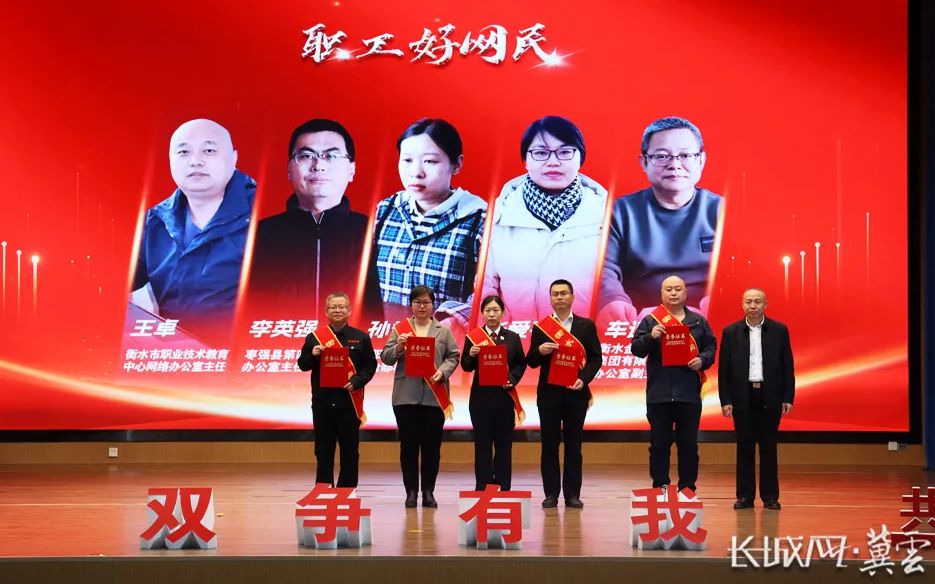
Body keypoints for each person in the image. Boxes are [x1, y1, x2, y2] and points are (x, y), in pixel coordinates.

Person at [131, 119, 255, 343]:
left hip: (249, 355)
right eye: (184, 152)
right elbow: (114, 283)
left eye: (209, 151)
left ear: (233, 158)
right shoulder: (154, 221)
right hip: (176, 355)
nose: (195, 161)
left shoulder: (267, 213)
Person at [248, 119, 381, 321]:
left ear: (351, 170)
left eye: (331, 156)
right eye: (306, 156)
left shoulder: (378, 235)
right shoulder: (255, 237)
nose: (319, 166)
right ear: (289, 170)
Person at [598, 117, 722, 325]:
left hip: (709, 322)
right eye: (662, 156)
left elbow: (743, 270)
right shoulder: (619, 212)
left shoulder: (723, 211)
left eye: (685, 155)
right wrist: (612, 301)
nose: (674, 164)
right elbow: (604, 269)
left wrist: (722, 300)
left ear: (701, 160)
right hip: (639, 323)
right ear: (644, 162)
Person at [483, 116, 608, 322]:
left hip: (584, 337)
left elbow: (615, 287)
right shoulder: (498, 215)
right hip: (516, 337)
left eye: (565, 152)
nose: (553, 161)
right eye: (541, 153)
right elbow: (486, 285)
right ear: (525, 160)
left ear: (580, 158)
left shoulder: (608, 216)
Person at [372, 119, 485, 329]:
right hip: (385, 341)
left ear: (457, 164)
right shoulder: (384, 211)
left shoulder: (479, 219)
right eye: (407, 160)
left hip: (444, 343)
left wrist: (453, 323)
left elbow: (490, 293)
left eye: (430, 161)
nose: (416, 172)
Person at [631, 275, 716, 494]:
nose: (673, 293)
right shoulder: (651, 321)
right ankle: (660, 488)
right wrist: (650, 337)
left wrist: (702, 360)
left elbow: (711, 348)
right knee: (659, 445)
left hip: (688, 394)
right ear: (661, 293)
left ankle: (687, 488)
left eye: (678, 289)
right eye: (668, 289)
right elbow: (636, 349)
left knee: (688, 445)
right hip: (659, 395)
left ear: (685, 292)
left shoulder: (698, 321)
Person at [380, 285, 460, 508]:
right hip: (406, 397)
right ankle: (411, 492)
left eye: (426, 302)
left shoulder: (443, 330)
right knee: (409, 447)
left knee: (431, 448)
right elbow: (386, 357)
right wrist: (399, 347)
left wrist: (442, 372)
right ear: (411, 305)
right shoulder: (401, 329)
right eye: (417, 302)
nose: (422, 306)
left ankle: (428, 492)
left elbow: (453, 356)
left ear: (433, 305)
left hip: (434, 397)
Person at [526, 279, 602, 509]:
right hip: (548, 395)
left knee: (573, 446)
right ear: (550, 298)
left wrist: (583, 379)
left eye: (563, 293)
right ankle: (550, 493)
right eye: (555, 294)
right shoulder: (542, 328)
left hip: (576, 393)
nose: (559, 297)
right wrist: (540, 350)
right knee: (549, 446)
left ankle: (572, 494)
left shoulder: (585, 326)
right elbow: (531, 360)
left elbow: (596, 358)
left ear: (572, 297)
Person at [718, 288, 795, 510]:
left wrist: (787, 396)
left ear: (765, 304)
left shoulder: (779, 330)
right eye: (749, 302)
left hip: (770, 395)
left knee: (769, 447)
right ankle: (745, 496)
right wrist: (726, 400)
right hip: (742, 396)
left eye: (757, 302)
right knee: (745, 448)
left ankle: (770, 497)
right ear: (742, 304)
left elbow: (787, 365)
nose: (753, 306)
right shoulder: (731, 332)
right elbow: (724, 370)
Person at [296, 292, 377, 488]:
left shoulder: (361, 338)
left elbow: (370, 366)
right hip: (323, 403)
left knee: (350, 451)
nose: (338, 310)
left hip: (349, 402)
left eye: (342, 307)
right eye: (333, 307)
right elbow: (303, 365)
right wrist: (313, 354)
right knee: (323, 450)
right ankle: (323, 490)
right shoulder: (314, 338)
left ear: (349, 310)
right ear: (326, 311)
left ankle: (347, 491)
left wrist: (357, 381)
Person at [460, 295, 527, 491]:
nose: (491, 314)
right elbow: (466, 366)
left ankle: (503, 485)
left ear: (502, 313)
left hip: (504, 399)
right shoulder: (474, 337)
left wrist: (511, 379)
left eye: (495, 310)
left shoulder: (512, 338)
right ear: (482, 313)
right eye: (488, 310)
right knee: (482, 445)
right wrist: (471, 354)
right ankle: (483, 486)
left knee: (504, 446)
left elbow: (520, 364)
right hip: (481, 400)